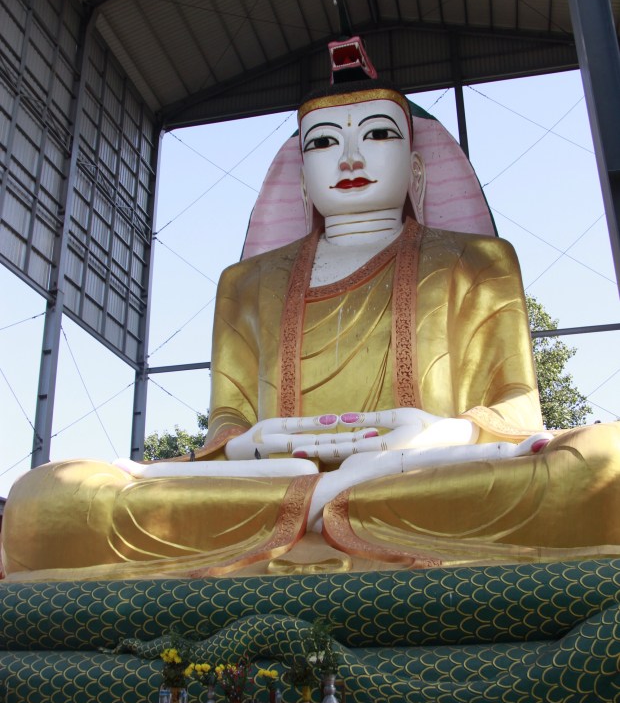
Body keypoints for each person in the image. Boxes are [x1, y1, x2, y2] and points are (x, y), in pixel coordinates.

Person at [3, 46, 619, 580]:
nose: (349, 158)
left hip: (427, 476)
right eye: (323, 143)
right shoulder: (247, 284)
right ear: (302, 180)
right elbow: (227, 422)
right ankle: (326, 510)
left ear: (417, 168)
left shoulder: (475, 261)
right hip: (268, 485)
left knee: (604, 465)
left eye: (377, 135)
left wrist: (434, 433)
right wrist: (252, 444)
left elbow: (517, 407)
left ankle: (320, 514)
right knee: (48, 498)